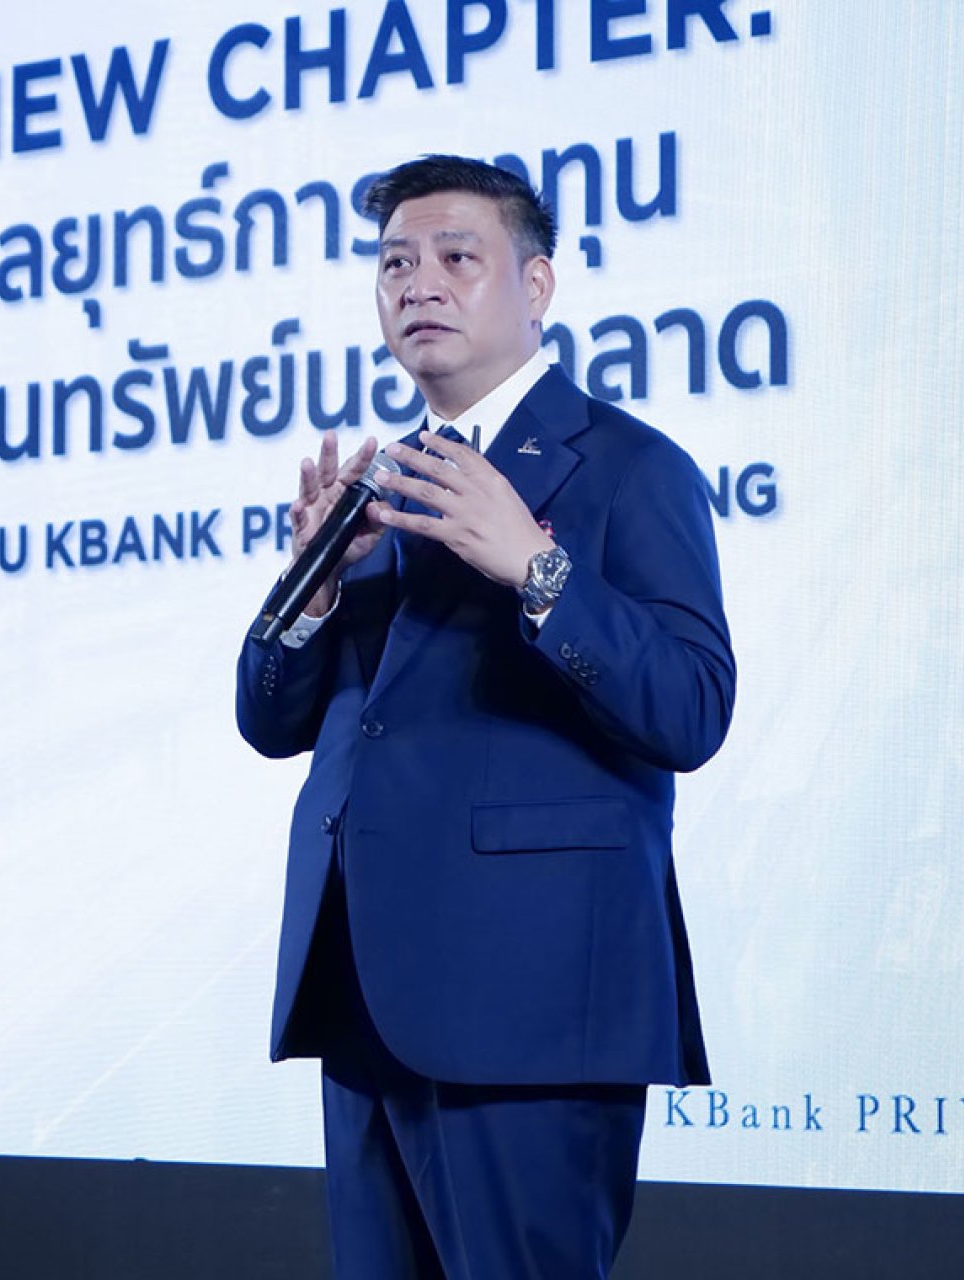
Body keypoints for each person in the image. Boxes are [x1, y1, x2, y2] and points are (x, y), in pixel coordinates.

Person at [235, 154, 736, 1278]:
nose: (418, 283)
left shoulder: (629, 466)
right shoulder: (383, 483)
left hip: (530, 1004)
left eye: (457, 256)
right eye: (394, 263)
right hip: (364, 990)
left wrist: (539, 570)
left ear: (537, 284)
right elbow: (271, 722)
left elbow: (693, 707)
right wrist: (310, 594)